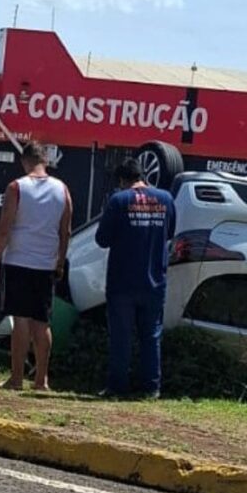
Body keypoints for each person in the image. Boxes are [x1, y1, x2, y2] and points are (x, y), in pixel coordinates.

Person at [0, 141, 72, 391]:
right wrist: (60, 260)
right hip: (46, 264)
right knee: (42, 322)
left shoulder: (17, 187)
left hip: (19, 261)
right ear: (45, 160)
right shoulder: (62, 189)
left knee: (20, 320)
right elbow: (65, 230)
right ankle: (41, 379)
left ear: (24, 161)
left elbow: (4, 229)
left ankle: (16, 378)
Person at [95, 157, 176, 399]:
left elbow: (102, 240)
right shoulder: (165, 199)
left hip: (123, 281)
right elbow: (169, 233)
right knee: (151, 335)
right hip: (155, 280)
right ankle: (151, 388)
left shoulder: (119, 200)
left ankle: (117, 387)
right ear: (142, 176)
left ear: (122, 180)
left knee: (121, 336)